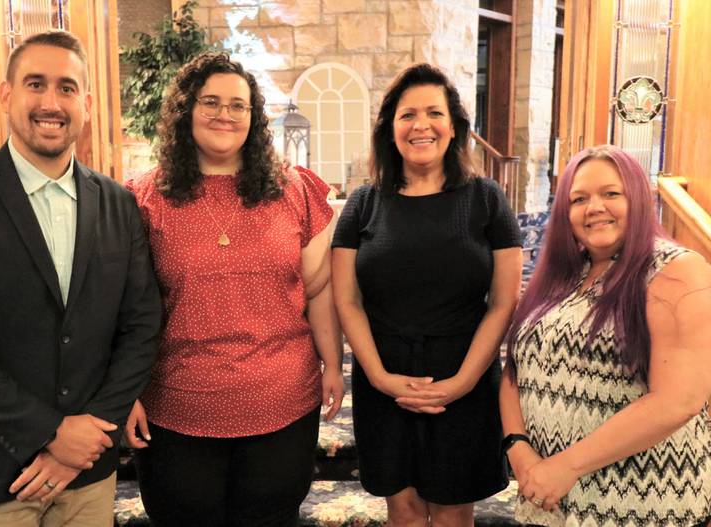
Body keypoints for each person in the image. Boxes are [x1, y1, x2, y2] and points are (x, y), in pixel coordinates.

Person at [0, 31, 162, 527]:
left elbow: (142, 326)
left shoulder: (119, 203)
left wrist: (85, 442)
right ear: (7, 94)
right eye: (35, 84)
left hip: (87, 477)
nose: (51, 102)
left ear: (86, 103)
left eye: (66, 88)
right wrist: (50, 433)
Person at [123, 51, 344, 526]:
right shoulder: (144, 197)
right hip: (177, 405)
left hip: (281, 401)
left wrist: (332, 364)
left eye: (238, 105)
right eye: (211, 101)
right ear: (186, 111)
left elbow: (319, 289)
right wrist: (126, 391)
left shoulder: (293, 190)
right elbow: (123, 306)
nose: (225, 114)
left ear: (253, 116)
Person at [331, 63, 522, 526]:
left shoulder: (487, 200)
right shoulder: (363, 203)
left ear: (454, 125)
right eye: (407, 114)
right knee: (404, 509)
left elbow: (503, 303)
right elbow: (347, 300)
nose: (421, 125)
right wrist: (377, 377)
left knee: (454, 512)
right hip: (385, 378)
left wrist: (461, 382)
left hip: (466, 375)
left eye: (434, 112)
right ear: (389, 128)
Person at [499, 145, 711, 526]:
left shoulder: (676, 271)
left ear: (640, 199)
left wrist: (566, 466)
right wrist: (519, 448)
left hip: (641, 503)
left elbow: (680, 400)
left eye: (611, 194)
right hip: (550, 499)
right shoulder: (562, 275)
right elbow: (516, 370)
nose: (594, 207)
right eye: (579, 198)